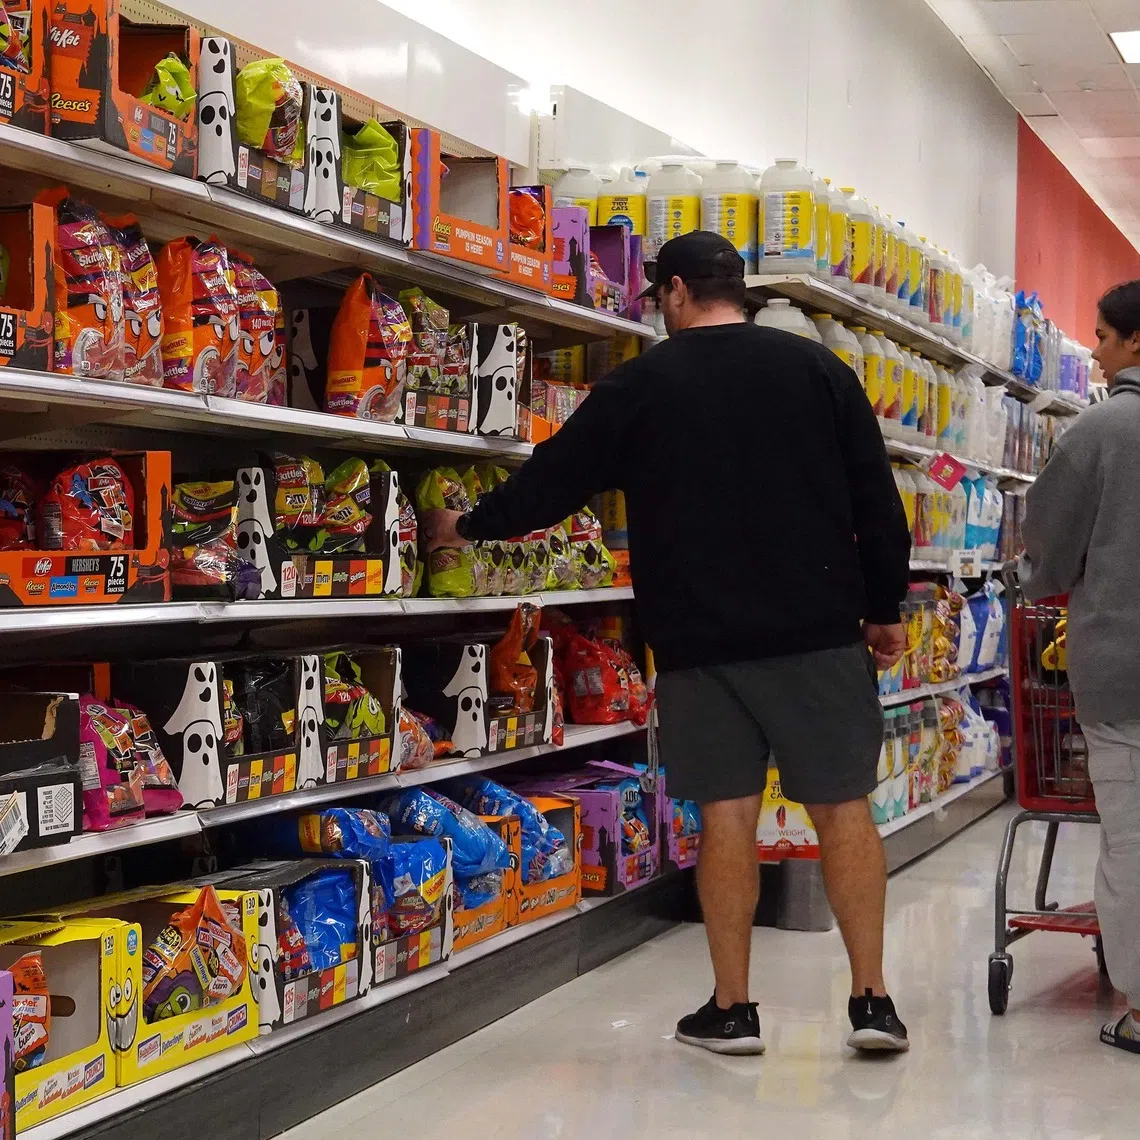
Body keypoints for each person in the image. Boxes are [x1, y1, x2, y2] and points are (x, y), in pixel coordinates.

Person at [423, 230, 913, 1055]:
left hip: (698, 641)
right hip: (815, 634)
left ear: (676, 292)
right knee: (842, 811)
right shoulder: (821, 373)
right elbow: (876, 496)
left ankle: (733, 1008)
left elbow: (552, 481)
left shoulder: (642, 385)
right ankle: (872, 1001)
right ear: (741, 290)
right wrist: (884, 606)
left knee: (727, 815)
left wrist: (464, 526)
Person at [1020, 279, 1140, 1055]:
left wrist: (1040, 580)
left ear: (1134, 343)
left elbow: (1051, 553)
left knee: (1132, 842)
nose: (1092, 351)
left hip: (1124, 670)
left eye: (1100, 335)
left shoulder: (1100, 431)